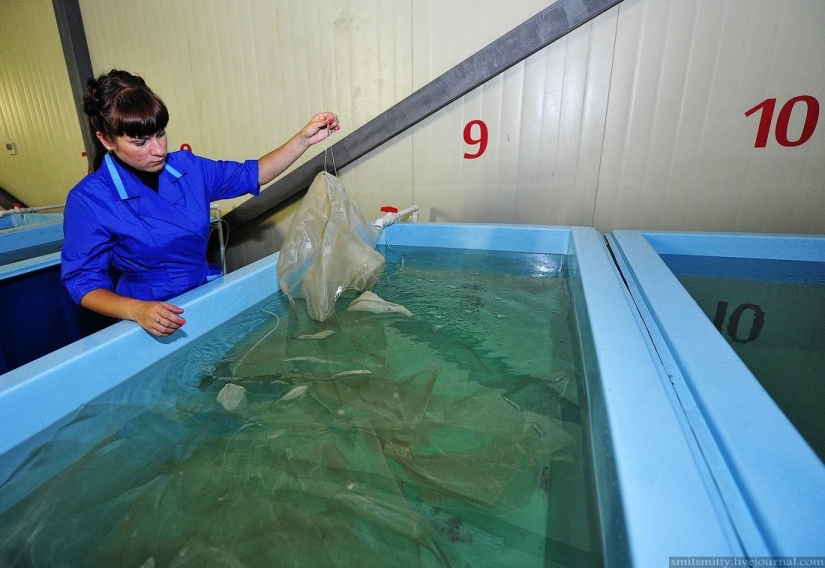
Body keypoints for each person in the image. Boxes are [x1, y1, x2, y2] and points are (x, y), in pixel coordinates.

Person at [61, 69, 339, 337]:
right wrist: (137, 310)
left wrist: (304, 140)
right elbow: (82, 282)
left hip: (204, 297)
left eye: (160, 134)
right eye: (140, 142)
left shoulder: (188, 168)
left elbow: (253, 173)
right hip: (147, 318)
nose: (158, 150)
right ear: (106, 139)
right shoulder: (89, 199)